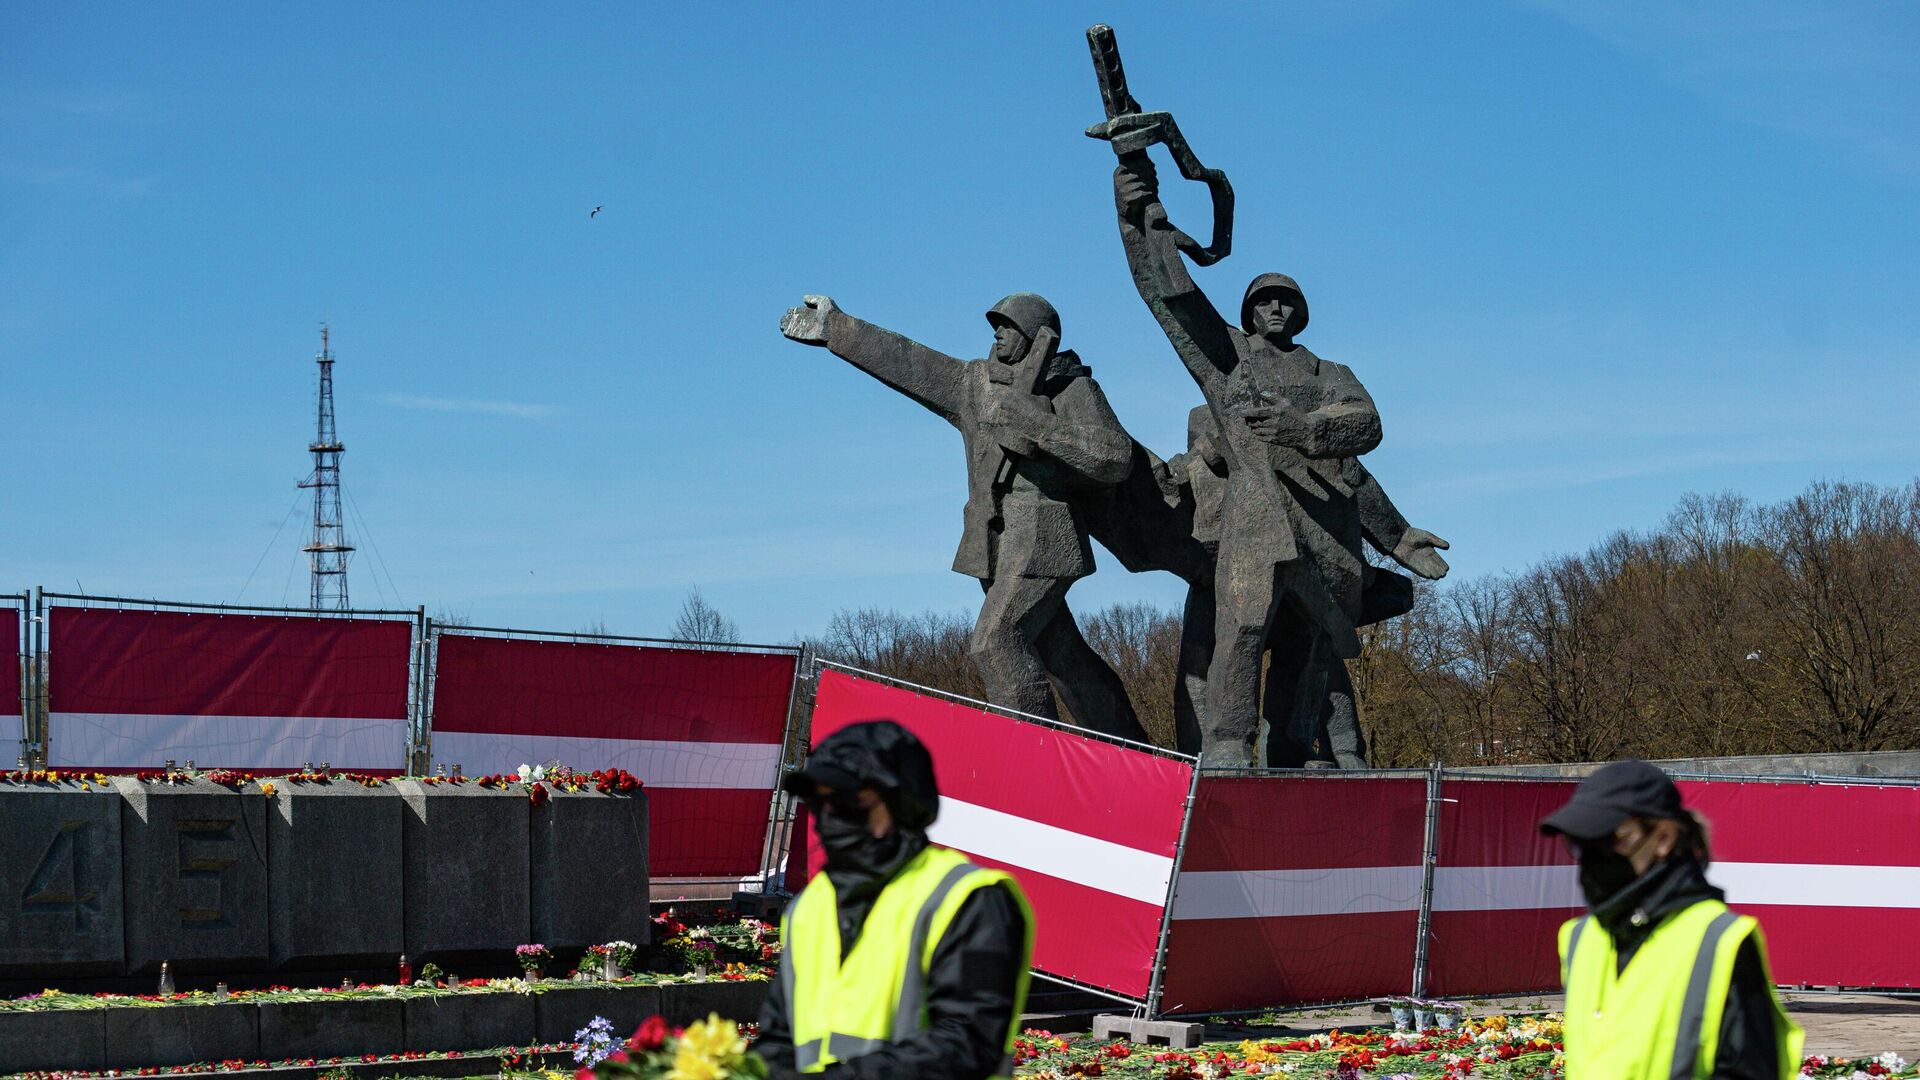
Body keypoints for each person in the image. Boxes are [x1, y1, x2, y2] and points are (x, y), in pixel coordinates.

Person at [1110, 152, 1447, 765]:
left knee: (1310, 651)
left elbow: (1363, 435)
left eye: (1286, 302)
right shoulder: (1227, 361)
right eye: (1263, 302)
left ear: (1302, 313)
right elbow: (1169, 297)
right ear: (1247, 313)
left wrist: (1396, 536)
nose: (1275, 310)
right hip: (1256, 522)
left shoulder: (1329, 372)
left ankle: (1293, 760)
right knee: (1240, 631)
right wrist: (1134, 220)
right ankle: (1227, 752)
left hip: (1328, 532)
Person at [781, 293, 1150, 742]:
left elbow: (1114, 456)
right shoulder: (976, 383)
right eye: (996, 324)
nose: (997, 332)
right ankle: (1132, 750)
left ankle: (1030, 757)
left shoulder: (1072, 388)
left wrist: (1040, 427)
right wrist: (837, 328)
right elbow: (909, 363)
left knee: (996, 641)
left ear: (1038, 340)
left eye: (1009, 326)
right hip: (993, 537)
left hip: (1044, 535)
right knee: (1063, 656)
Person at [757, 720, 1034, 1079]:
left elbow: (967, 1042)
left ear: (901, 804)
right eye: (818, 803)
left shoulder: (967, 899)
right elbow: (779, 1037)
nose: (830, 819)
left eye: (847, 803)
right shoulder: (807, 909)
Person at [1541, 760, 1804, 1079]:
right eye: (1580, 844)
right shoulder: (1580, 938)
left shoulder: (1717, 940)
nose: (1594, 858)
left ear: (1664, 837)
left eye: (1610, 840)